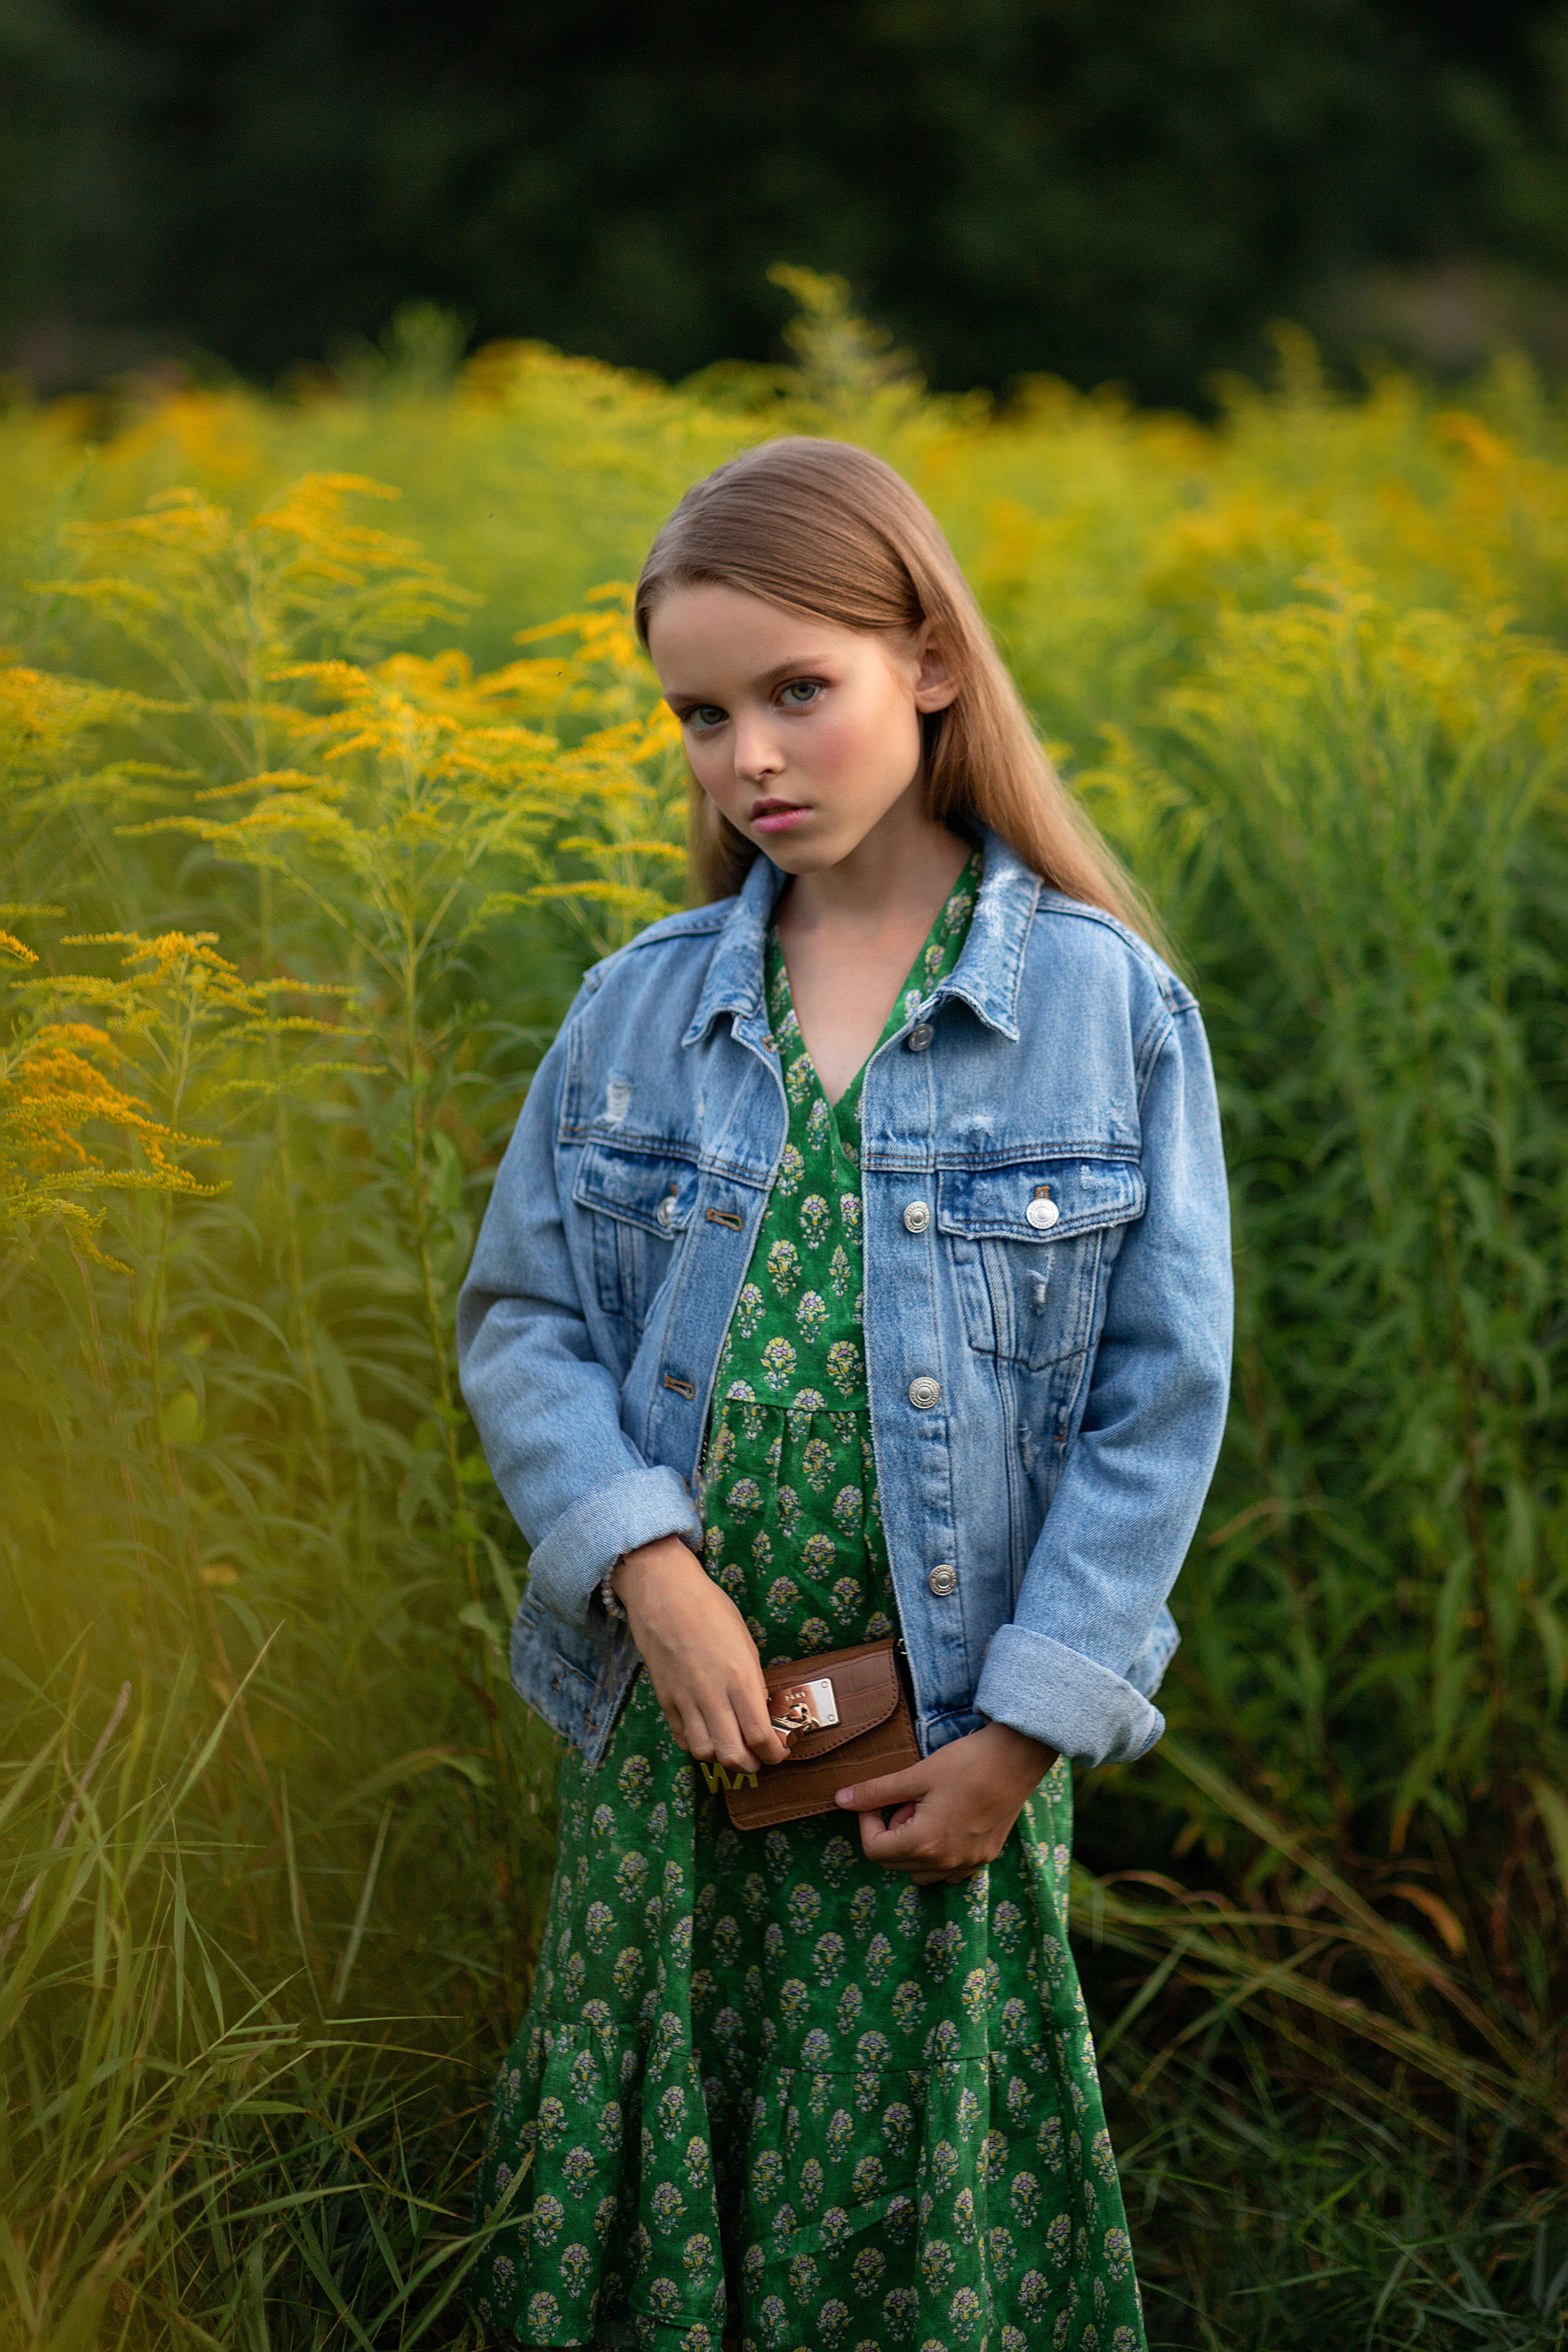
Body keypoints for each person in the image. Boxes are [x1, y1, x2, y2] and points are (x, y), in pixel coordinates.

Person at [456, 437, 1232, 2352]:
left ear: (933, 666)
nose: (750, 760)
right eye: (702, 714)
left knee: (906, 2170)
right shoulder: (641, 1006)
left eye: (799, 690)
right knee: (675, 2128)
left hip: (939, 1733)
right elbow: (524, 1319)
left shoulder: (1103, 1010)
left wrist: (1029, 1733)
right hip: (686, 1733)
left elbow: (1160, 1402)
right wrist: (649, 1570)